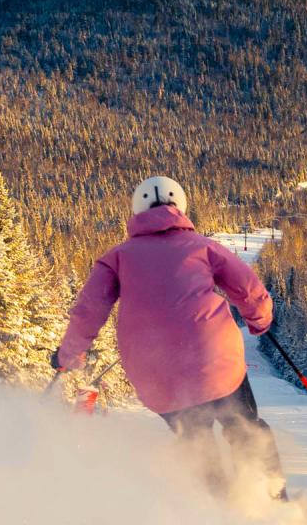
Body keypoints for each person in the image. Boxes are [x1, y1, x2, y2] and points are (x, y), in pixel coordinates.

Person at [54, 175, 287, 500]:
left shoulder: (117, 257)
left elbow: (87, 310)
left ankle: (222, 514)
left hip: (157, 375)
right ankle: (274, 510)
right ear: (180, 207)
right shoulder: (203, 246)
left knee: (196, 444)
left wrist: (68, 355)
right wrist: (258, 320)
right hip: (214, 359)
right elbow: (249, 289)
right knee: (244, 428)